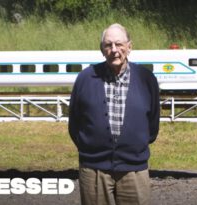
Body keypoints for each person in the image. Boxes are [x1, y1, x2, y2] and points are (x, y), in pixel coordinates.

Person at [68, 23, 160, 205]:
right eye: (108, 45)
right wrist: (91, 148)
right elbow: (75, 123)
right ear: (101, 49)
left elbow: (152, 125)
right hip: (94, 170)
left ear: (129, 47)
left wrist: (132, 147)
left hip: (134, 170)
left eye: (119, 44)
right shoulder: (85, 78)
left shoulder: (147, 79)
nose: (114, 50)